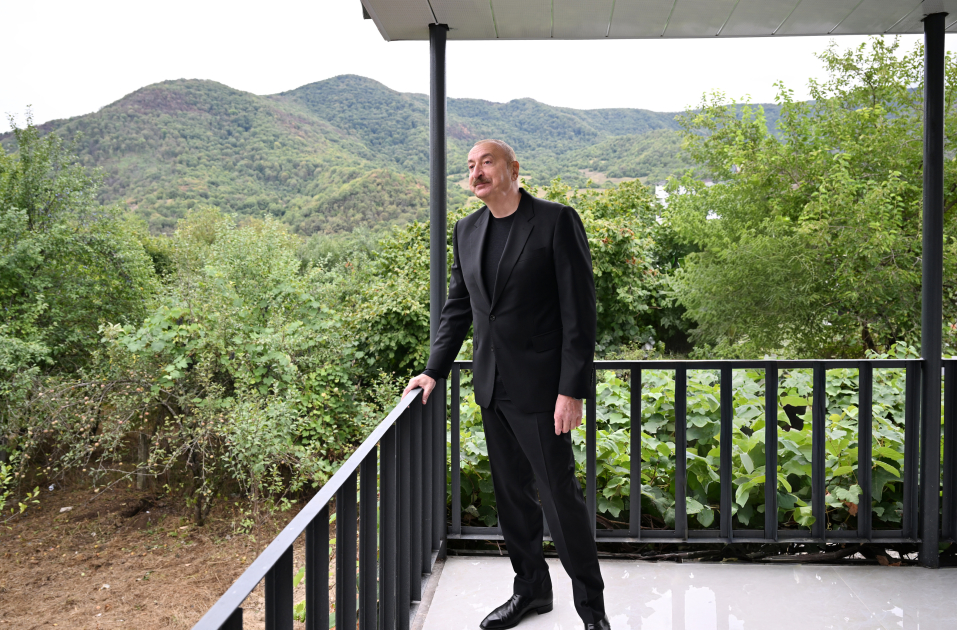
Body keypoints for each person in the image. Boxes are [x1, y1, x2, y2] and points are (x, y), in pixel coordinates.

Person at [403, 139, 609, 630]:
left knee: (560, 502)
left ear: (514, 169)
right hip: (492, 387)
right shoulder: (467, 230)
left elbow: (579, 313)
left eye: (486, 162)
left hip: (543, 392)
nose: (476, 172)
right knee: (513, 499)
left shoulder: (556, 221)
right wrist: (433, 370)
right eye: (471, 165)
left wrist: (571, 390)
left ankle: (593, 613)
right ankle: (532, 589)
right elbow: (459, 308)